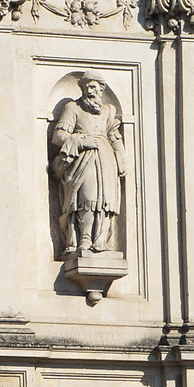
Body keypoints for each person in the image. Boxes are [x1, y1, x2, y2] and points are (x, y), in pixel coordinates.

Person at [49, 77, 126, 257]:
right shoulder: (73, 108)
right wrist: (81, 140)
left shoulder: (108, 110)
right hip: (82, 159)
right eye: (86, 88)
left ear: (101, 90)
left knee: (106, 200)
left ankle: (101, 239)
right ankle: (83, 237)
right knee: (86, 197)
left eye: (93, 87)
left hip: (106, 159)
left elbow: (114, 136)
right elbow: (58, 136)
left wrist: (121, 160)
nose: (90, 91)